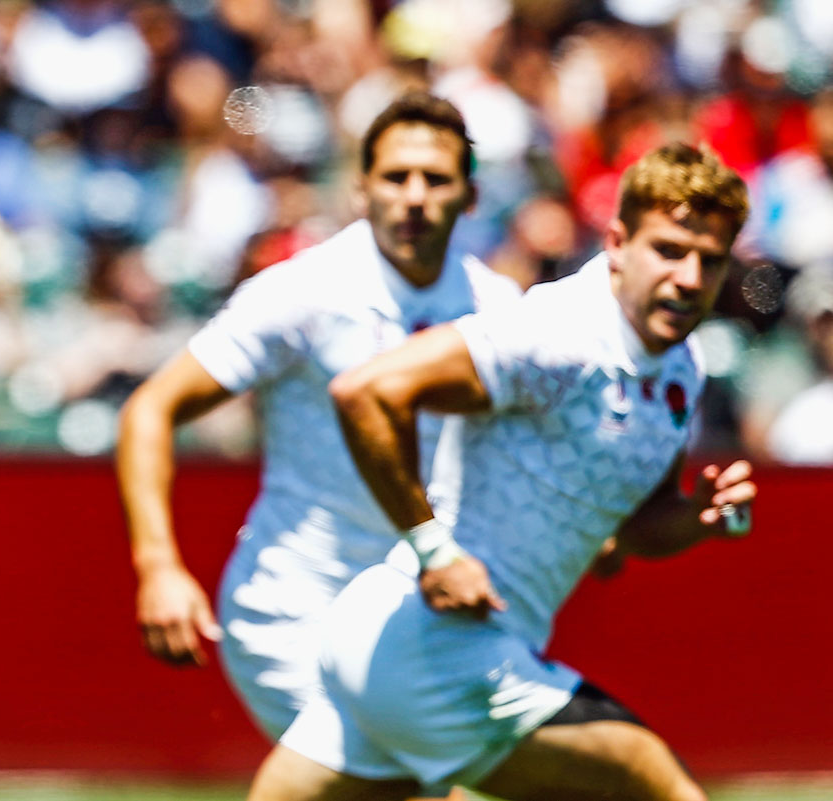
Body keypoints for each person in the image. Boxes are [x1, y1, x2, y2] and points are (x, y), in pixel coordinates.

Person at [250, 142, 755, 801]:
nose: (689, 278)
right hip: (437, 644)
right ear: (618, 242)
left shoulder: (683, 365)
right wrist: (433, 550)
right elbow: (367, 391)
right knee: (646, 776)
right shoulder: (558, 332)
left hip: (395, 647)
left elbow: (633, 529)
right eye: (668, 250)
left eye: (709, 261)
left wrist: (694, 519)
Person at [116, 92, 520, 739]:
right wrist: (158, 565)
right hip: (296, 609)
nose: (414, 196)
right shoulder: (303, 291)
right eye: (395, 176)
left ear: (471, 197)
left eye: (436, 179)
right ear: (362, 189)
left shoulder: (498, 307)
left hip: (419, 616)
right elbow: (151, 409)